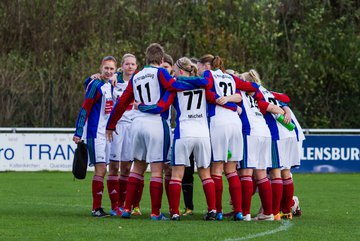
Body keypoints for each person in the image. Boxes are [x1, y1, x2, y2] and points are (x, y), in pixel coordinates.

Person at [106, 43, 203, 220]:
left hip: (137, 124)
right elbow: (173, 86)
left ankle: (127, 208)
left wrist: (111, 125)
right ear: (160, 59)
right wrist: (199, 84)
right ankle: (155, 212)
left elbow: (121, 103)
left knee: (137, 168)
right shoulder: (161, 73)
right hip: (156, 123)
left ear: (146, 58)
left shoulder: (136, 76)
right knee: (157, 170)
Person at [135, 57, 224, 221]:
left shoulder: (175, 88)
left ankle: (175, 212)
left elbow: (160, 107)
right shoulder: (205, 84)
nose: (172, 74)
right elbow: (216, 99)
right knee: (205, 174)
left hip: (184, 132)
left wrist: (141, 106)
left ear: (181, 71)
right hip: (203, 133)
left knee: (177, 175)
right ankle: (212, 211)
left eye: (175, 70)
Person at [197, 54, 260, 221]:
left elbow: (210, 96)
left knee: (217, 169)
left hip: (219, 123)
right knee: (231, 170)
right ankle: (238, 211)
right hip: (235, 125)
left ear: (208, 66)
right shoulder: (231, 77)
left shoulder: (208, 75)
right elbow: (251, 87)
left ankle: (217, 211)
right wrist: (232, 103)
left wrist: (225, 101)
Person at [247, 69, 303, 220]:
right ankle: (286, 210)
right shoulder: (268, 92)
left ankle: (274, 211)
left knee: (274, 173)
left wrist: (279, 110)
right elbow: (285, 99)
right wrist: (286, 111)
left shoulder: (255, 95)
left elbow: (270, 106)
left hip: (276, 135)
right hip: (290, 133)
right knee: (284, 173)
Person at [237, 70, 289, 221]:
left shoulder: (240, 93)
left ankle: (245, 214)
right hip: (265, 132)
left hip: (251, 132)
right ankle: (268, 213)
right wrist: (284, 111)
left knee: (247, 173)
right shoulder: (257, 94)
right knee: (261, 174)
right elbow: (280, 101)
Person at [73, 56, 117, 217]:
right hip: (94, 132)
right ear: (101, 68)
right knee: (101, 169)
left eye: (112, 69)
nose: (109, 71)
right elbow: (85, 108)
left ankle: (102, 207)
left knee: (104, 169)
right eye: (106, 68)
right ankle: (96, 208)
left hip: (106, 134)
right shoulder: (95, 84)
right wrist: (78, 132)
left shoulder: (109, 85)